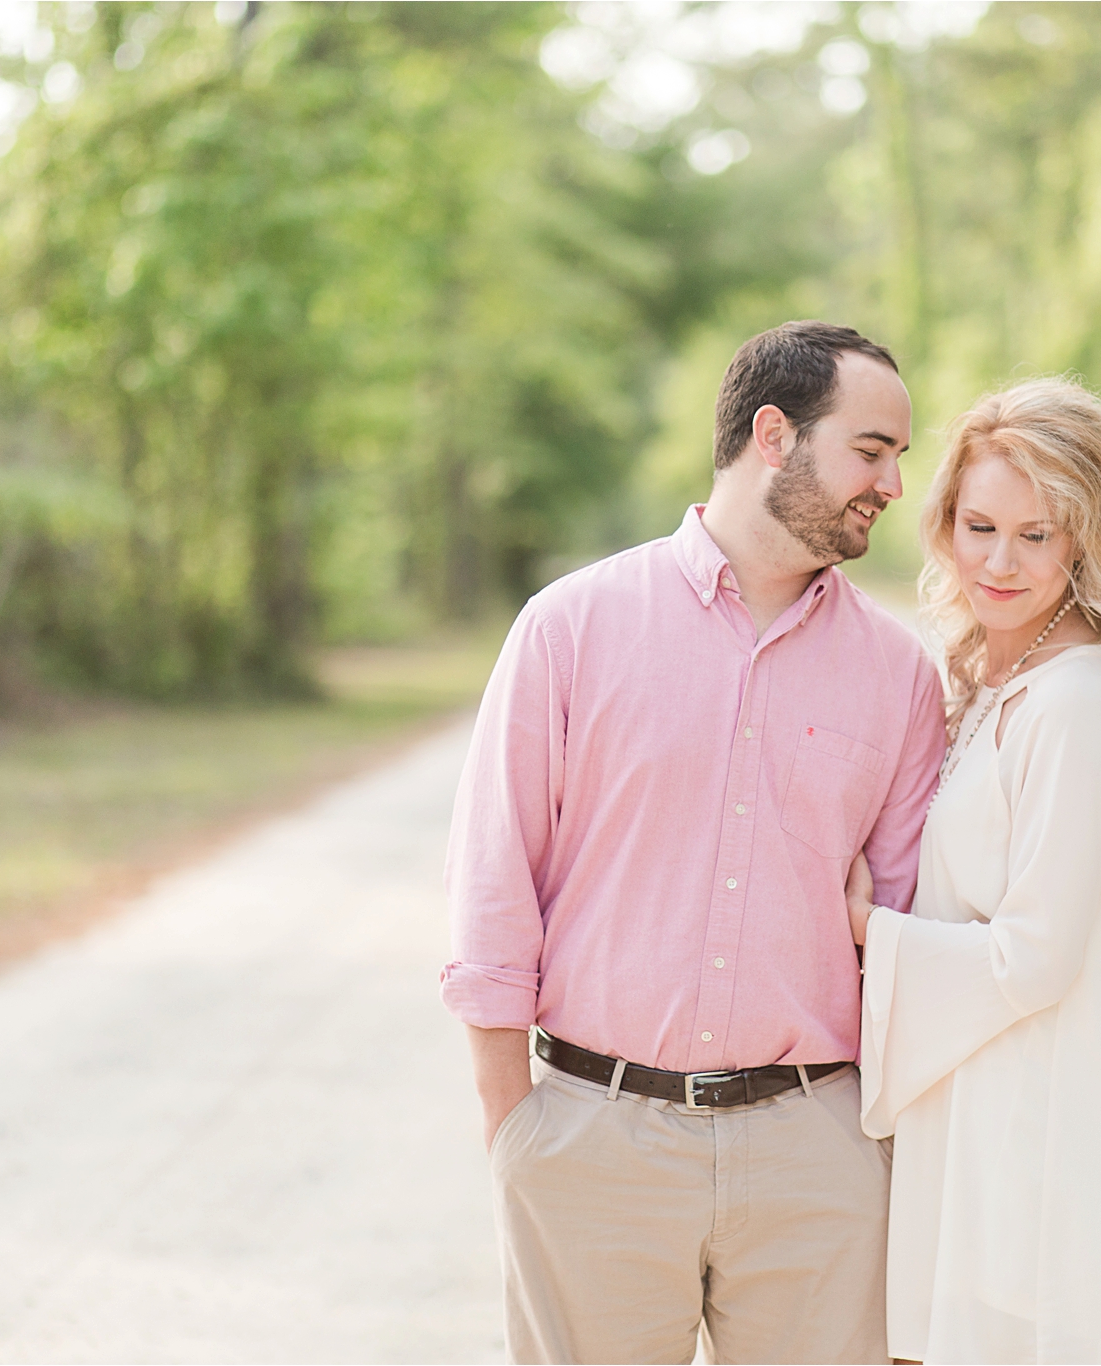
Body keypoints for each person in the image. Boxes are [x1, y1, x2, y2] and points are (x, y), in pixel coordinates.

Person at [442, 321, 947, 1364]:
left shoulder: (899, 678)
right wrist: (518, 1131)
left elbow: (908, 935)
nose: (894, 482)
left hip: (817, 1150)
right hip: (594, 1140)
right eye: (871, 448)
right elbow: (493, 882)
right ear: (774, 434)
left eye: (898, 454)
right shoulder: (569, 626)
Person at [847, 378, 1101, 1364]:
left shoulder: (1075, 700)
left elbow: (1038, 957)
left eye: (1035, 536)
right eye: (977, 526)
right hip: (972, 1114)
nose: (996, 562)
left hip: (1025, 1138)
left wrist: (865, 933)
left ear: (1085, 539)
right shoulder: (996, 678)